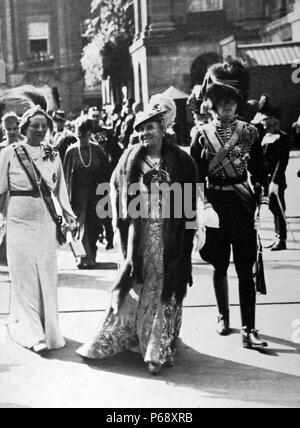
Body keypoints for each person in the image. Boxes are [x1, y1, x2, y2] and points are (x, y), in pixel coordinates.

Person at [76, 95, 205, 375]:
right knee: (137, 283)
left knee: (165, 286)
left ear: (163, 129)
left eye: (150, 127)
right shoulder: (130, 159)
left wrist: (192, 230)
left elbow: (189, 201)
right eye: (141, 129)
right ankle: (130, 337)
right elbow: (115, 189)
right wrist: (122, 221)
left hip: (170, 234)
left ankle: (157, 347)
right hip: (140, 233)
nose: (144, 133)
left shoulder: (180, 160)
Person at [191, 59, 269, 350]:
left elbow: (259, 170)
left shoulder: (250, 133)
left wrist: (261, 191)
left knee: (246, 267)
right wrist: (204, 207)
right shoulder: (200, 135)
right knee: (220, 264)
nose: (227, 108)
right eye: (221, 103)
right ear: (211, 104)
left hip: (242, 204)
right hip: (215, 206)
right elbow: (196, 178)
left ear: (238, 105)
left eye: (232, 103)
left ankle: (249, 328)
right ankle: (223, 316)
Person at [0, 104, 76, 353]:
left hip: (44, 221)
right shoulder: (10, 153)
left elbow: (60, 188)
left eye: (44, 126)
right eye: (35, 126)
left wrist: (68, 214)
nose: (40, 130)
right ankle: (34, 333)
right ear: (24, 128)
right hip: (17, 220)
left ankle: (50, 331)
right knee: (23, 277)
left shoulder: (53, 153)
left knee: (45, 275)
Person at [64, 117, 112, 269]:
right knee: (78, 227)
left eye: (85, 136)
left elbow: (107, 172)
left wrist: (106, 194)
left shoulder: (97, 150)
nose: (82, 139)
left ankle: (91, 255)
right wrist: (64, 201)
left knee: (93, 227)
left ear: (90, 134)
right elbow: (65, 177)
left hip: (95, 194)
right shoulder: (71, 152)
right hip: (77, 196)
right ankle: (81, 258)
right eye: (79, 136)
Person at [260, 106, 291, 251]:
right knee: (273, 207)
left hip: (276, 180)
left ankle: (282, 239)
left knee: (278, 208)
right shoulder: (265, 137)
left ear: (273, 120)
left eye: (265, 120)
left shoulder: (282, 137)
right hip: (266, 179)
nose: (263, 123)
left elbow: (282, 162)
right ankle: (277, 236)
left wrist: (275, 181)